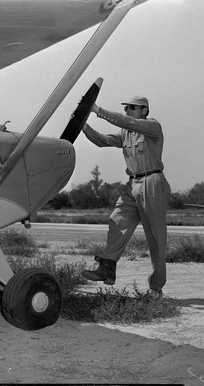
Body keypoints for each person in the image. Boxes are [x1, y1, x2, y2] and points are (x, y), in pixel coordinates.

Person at [80, 95, 171, 296]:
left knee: (156, 238)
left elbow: (126, 121)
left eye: (132, 107)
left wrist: (97, 110)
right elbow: (102, 141)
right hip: (132, 184)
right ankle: (107, 268)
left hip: (152, 182)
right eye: (126, 108)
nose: (128, 111)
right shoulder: (126, 133)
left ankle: (156, 287)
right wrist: (83, 125)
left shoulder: (153, 127)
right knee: (116, 221)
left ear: (144, 110)